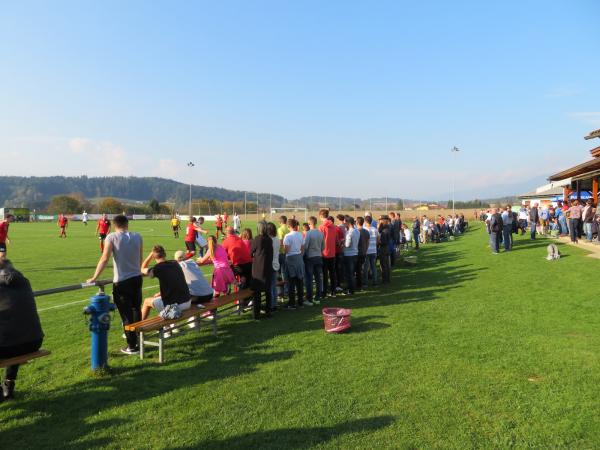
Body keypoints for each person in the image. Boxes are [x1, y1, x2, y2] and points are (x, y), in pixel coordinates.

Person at [87, 214, 143, 354]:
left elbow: (104, 258)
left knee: (126, 315)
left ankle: (132, 346)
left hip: (122, 282)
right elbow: (140, 258)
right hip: (137, 278)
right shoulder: (137, 236)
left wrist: (94, 277)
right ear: (127, 224)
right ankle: (138, 339)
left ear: (113, 225)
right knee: (136, 309)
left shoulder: (111, 237)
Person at [0, 259, 44, 401]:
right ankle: (8, 384)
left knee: (9, 338)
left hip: (10, 346)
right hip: (34, 341)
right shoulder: (24, 281)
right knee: (14, 333)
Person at [140, 245, 191, 320]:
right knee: (160, 298)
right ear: (165, 254)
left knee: (146, 302)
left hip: (177, 305)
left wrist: (150, 256)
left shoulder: (158, 268)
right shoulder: (175, 263)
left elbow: (142, 269)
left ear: (154, 257)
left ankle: (139, 328)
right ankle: (168, 328)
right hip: (187, 301)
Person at [250, 221, 274, 319]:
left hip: (258, 268)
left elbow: (251, 251)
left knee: (257, 292)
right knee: (267, 290)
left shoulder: (257, 239)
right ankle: (268, 311)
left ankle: (257, 313)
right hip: (268, 266)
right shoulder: (269, 239)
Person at [283, 219, 305, 308]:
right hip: (299, 257)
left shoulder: (287, 236)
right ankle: (300, 302)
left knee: (291, 282)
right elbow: (303, 248)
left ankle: (292, 303)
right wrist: (300, 255)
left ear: (288, 227)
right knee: (299, 281)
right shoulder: (300, 234)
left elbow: (286, 250)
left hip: (290, 258)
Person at [303, 216, 324, 303]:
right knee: (318, 278)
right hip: (319, 257)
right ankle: (318, 296)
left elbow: (306, 246)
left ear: (309, 224)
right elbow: (324, 246)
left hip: (310, 258)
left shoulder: (309, 233)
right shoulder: (320, 233)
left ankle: (309, 298)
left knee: (309, 279)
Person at [319, 210, 337, 298]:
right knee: (332, 273)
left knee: (325, 274)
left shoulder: (321, 227)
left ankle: (324, 292)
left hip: (324, 253)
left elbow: (320, 240)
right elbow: (335, 239)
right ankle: (333, 291)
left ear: (320, 216)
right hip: (332, 252)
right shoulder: (333, 226)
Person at [343, 216, 359, 295]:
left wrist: (342, 243)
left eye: (345, 222)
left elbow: (347, 245)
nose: (344, 223)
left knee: (349, 274)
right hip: (355, 253)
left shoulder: (349, 232)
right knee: (352, 273)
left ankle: (350, 290)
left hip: (349, 255)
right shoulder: (357, 231)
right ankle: (352, 288)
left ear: (348, 223)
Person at [267, 222, 280, 311]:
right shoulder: (277, 239)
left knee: (271, 287)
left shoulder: (269, 240)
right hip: (275, 263)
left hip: (270, 264)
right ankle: (274, 304)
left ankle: (271, 305)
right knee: (274, 286)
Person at [363, 216, 379, 287]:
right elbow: (378, 238)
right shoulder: (375, 229)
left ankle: (365, 283)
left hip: (366, 251)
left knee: (366, 268)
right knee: (373, 267)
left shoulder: (364, 229)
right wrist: (375, 244)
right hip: (374, 250)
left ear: (365, 222)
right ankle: (375, 282)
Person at [276, 216, 289, 298]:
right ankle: (286, 290)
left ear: (280, 222)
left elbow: (281, 241)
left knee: (280, 273)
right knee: (285, 272)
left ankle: (282, 291)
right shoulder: (288, 228)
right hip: (288, 252)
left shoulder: (280, 229)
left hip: (281, 253)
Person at [356, 217, 369, 291]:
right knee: (362, 269)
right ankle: (363, 283)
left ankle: (359, 284)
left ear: (357, 223)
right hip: (364, 252)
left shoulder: (356, 231)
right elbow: (368, 242)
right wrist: (366, 250)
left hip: (357, 253)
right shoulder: (366, 231)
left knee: (357, 270)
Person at [378, 216, 391, 283]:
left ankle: (385, 280)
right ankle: (387, 279)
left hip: (383, 249)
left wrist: (379, 241)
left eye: (380, 220)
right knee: (386, 265)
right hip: (386, 248)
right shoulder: (387, 228)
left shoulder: (384, 231)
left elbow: (383, 242)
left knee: (384, 265)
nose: (379, 221)